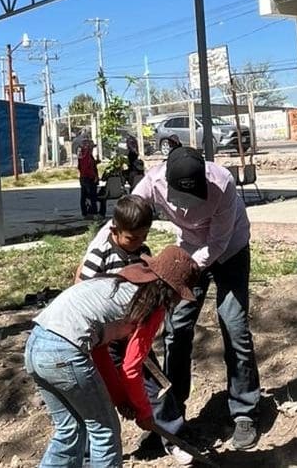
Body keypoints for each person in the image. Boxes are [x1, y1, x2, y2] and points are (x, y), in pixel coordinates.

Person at [103, 146, 261, 450]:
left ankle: (244, 411)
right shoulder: (151, 182)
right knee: (176, 331)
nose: (188, 205)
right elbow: (127, 219)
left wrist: (184, 271)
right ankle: (172, 414)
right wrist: (101, 251)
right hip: (187, 249)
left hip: (230, 251)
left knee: (234, 325)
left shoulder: (223, 183)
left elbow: (217, 242)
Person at [25, 245, 199, 467]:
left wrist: (120, 399)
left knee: (69, 430)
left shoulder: (116, 285)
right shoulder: (150, 305)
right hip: (64, 352)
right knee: (104, 432)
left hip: (36, 345)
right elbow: (131, 366)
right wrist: (144, 412)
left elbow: (99, 351)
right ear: (174, 292)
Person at [75, 195, 192, 465]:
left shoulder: (144, 254)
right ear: (114, 230)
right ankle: (89, 453)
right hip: (101, 338)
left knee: (156, 386)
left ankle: (172, 436)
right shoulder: (99, 255)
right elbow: (82, 293)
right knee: (98, 398)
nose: (138, 243)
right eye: (132, 238)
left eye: (143, 237)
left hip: (134, 334)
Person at [77, 138, 100, 219]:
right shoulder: (87, 155)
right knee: (91, 196)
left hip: (83, 177)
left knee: (84, 196)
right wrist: (95, 176)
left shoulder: (81, 154)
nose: (93, 149)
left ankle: (85, 213)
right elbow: (88, 168)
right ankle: (92, 213)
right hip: (89, 178)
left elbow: (81, 167)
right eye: (91, 147)